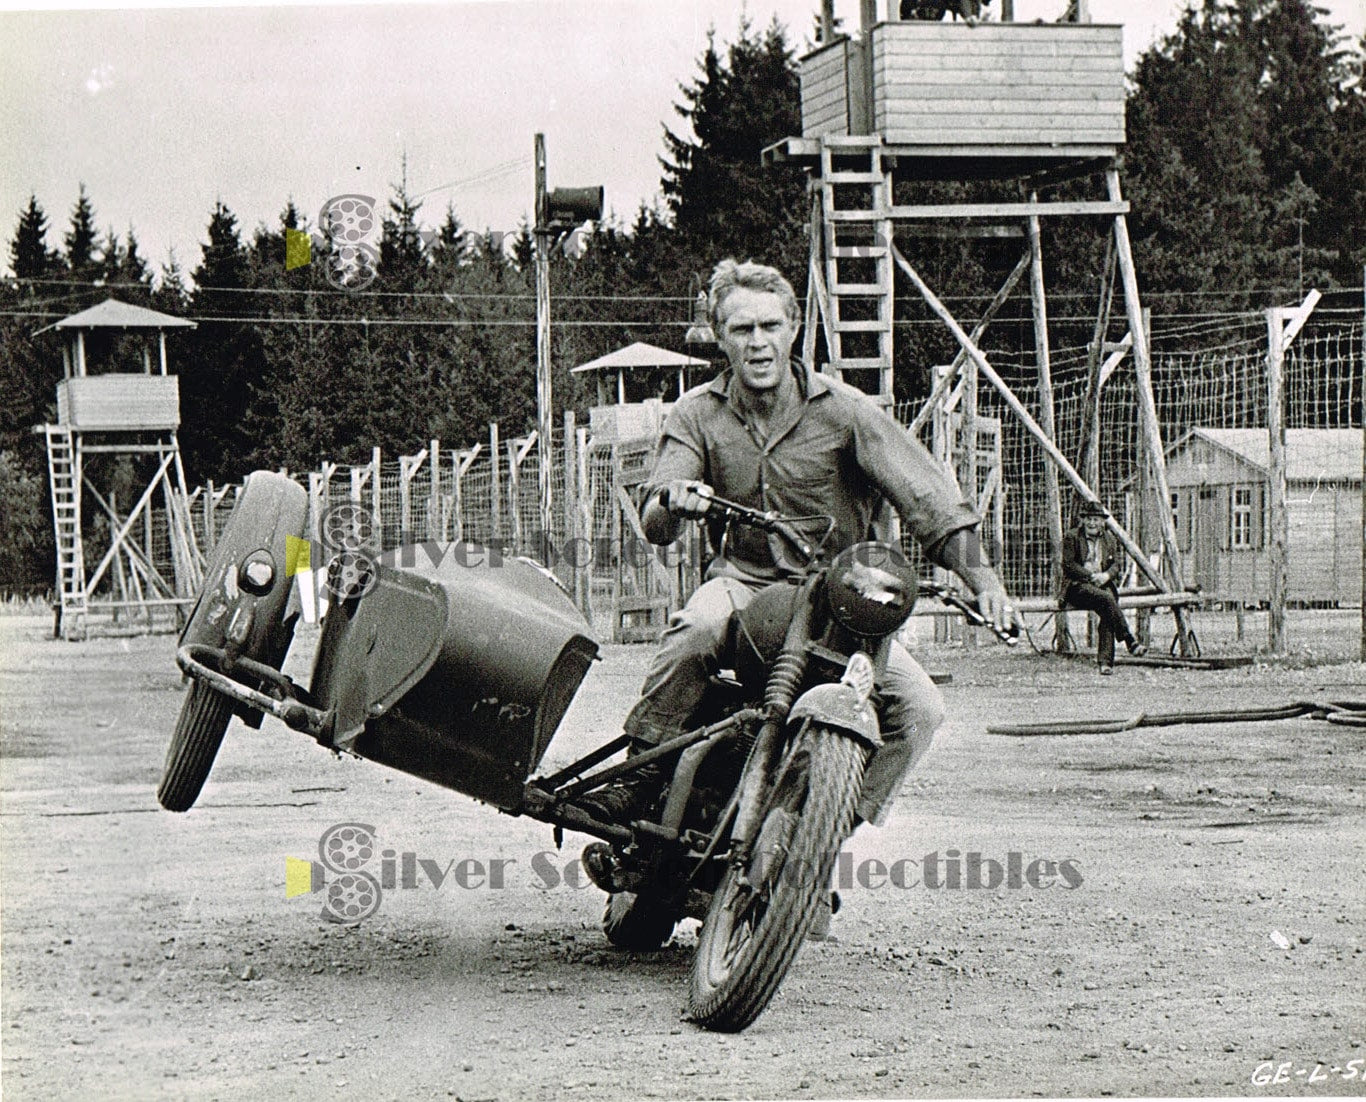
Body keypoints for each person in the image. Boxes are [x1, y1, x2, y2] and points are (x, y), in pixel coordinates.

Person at [578, 258, 1019, 832]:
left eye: (770, 327)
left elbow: (929, 502)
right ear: (719, 337)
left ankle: (819, 840)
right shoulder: (697, 415)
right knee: (695, 629)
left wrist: (987, 586)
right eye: (741, 329)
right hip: (744, 586)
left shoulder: (847, 411)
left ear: (793, 329)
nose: (758, 343)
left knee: (919, 711)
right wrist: (673, 499)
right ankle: (639, 775)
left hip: (841, 601)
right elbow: (657, 521)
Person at [1061, 500, 1148, 674]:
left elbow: (1116, 565)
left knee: (1108, 608)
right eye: (1089, 519)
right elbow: (1068, 565)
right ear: (1083, 520)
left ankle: (1105, 663)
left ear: (1102, 522)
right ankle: (1129, 640)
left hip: (1102, 585)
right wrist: (1091, 576)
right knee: (1108, 599)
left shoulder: (1109, 539)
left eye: (1096, 519)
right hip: (1078, 587)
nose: (1092, 523)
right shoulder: (1072, 537)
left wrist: (1106, 576)